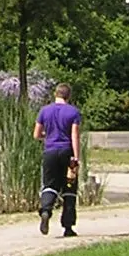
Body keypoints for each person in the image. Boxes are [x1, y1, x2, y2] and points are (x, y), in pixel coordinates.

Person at [33, 82, 82, 237]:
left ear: (56, 94)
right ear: (68, 96)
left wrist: (46, 137)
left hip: (50, 151)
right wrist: (76, 157)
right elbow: (75, 135)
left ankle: (46, 210)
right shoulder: (73, 112)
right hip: (67, 151)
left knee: (49, 185)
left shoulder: (44, 111)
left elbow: (36, 134)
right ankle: (68, 226)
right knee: (69, 189)